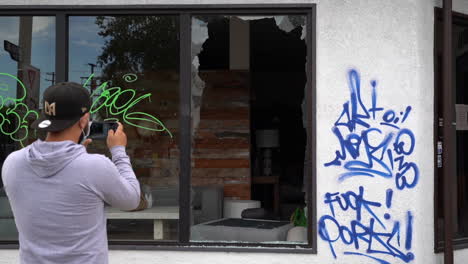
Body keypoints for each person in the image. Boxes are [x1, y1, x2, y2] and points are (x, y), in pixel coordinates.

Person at [1, 82, 141, 264]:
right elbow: (131, 200)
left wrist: (75, 154)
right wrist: (119, 151)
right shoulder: (94, 166)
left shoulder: (13, 162)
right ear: (84, 120)